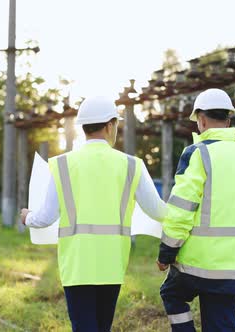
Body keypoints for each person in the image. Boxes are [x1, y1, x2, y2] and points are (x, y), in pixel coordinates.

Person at [20, 96, 166, 332]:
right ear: (110, 125)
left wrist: (27, 216)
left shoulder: (63, 164)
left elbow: (45, 217)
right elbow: (157, 210)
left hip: (77, 265)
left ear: (83, 127)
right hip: (111, 263)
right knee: (102, 327)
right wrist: (188, 209)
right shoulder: (131, 165)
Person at [157, 88, 235, 331]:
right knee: (222, 319)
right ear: (228, 121)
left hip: (198, 263)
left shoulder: (197, 154)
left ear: (201, 119)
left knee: (172, 294)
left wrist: (167, 251)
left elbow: (181, 209)